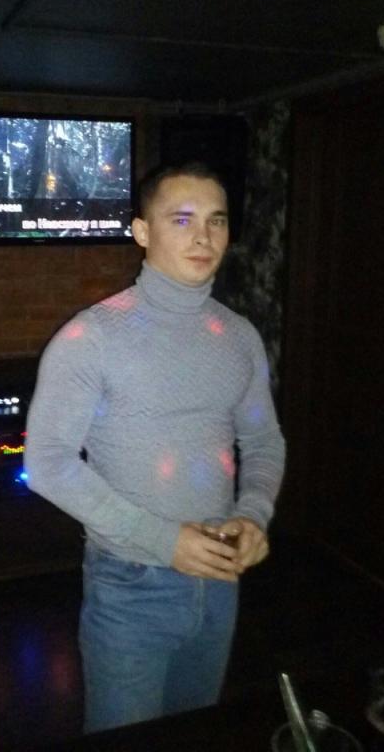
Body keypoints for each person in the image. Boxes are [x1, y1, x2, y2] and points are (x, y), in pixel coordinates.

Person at [24, 161, 286, 733]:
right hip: (131, 584)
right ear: (142, 231)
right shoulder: (92, 336)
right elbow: (46, 464)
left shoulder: (239, 336)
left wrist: (253, 514)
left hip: (219, 576)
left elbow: (263, 440)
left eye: (217, 220)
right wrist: (164, 540)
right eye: (182, 219)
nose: (203, 236)